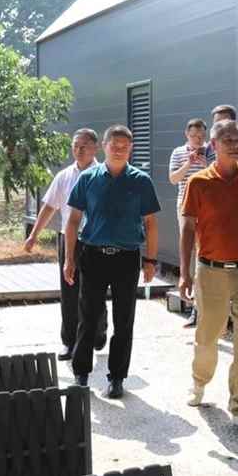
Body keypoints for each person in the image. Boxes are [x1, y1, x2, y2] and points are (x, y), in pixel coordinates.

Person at [179, 119, 238, 434]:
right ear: (213, 145)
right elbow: (187, 228)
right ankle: (199, 381)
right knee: (208, 334)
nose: (234, 145)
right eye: (227, 140)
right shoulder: (199, 182)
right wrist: (184, 272)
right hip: (210, 271)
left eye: (237, 140)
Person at [63, 125, 161, 398]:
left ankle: (117, 378)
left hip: (127, 259)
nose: (118, 149)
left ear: (131, 149)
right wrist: (69, 259)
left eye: (124, 146)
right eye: (114, 144)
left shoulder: (141, 181)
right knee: (88, 318)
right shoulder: (88, 178)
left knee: (124, 321)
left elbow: (151, 224)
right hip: (93, 256)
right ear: (104, 146)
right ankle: (81, 374)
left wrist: (150, 260)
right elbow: (73, 221)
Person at [24, 128, 107, 360]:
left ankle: (98, 329)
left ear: (95, 148)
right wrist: (34, 235)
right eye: (75, 146)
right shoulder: (64, 176)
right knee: (69, 291)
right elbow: (50, 206)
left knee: (94, 290)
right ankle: (69, 342)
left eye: (83, 146)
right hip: (69, 239)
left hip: (96, 240)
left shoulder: (104, 174)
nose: (78, 150)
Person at [169, 119, 210, 327]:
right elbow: (173, 179)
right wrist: (188, 163)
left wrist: (205, 164)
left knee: (204, 251)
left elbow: (218, 176)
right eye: (194, 136)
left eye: (201, 136)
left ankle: (200, 307)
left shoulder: (211, 151)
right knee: (190, 251)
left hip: (208, 206)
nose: (198, 140)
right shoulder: (178, 152)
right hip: (185, 206)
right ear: (187, 134)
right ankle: (194, 306)